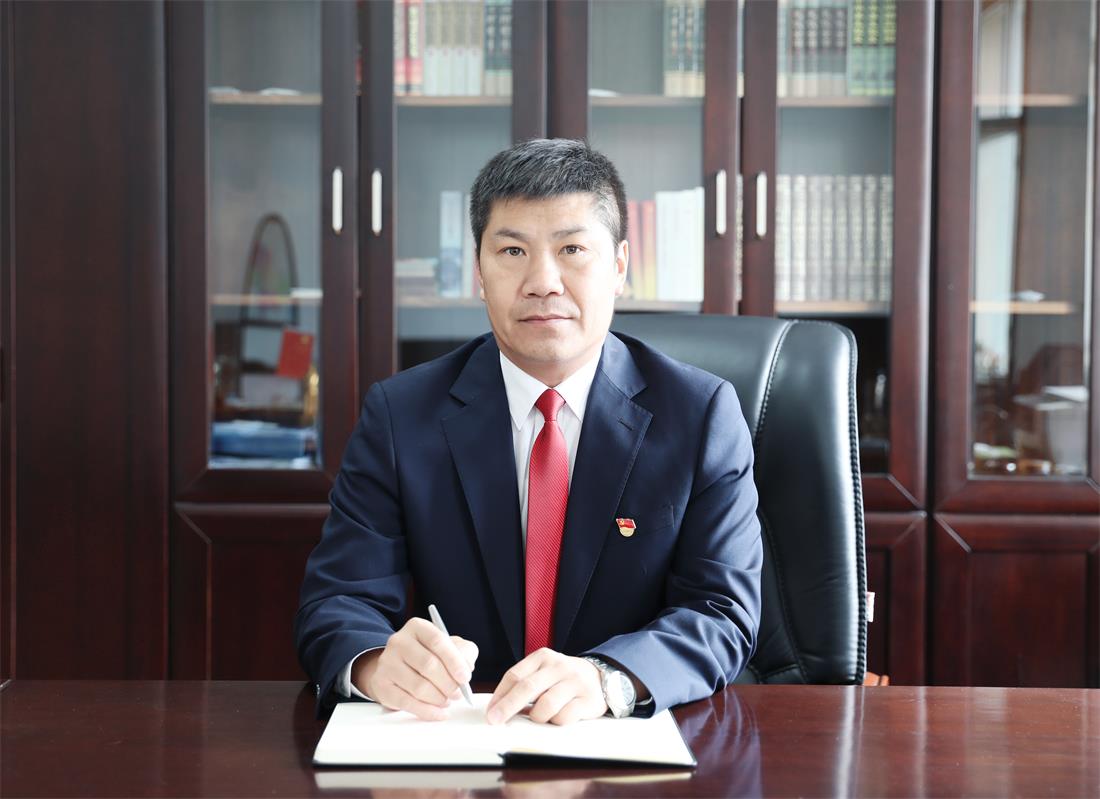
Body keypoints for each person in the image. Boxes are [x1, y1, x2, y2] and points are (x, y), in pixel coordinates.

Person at [295, 138, 762, 725]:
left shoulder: (700, 415)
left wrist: (608, 677)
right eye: (513, 251)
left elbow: (722, 612)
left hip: (622, 742)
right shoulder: (401, 415)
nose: (543, 282)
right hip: (459, 735)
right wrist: (373, 663)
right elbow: (339, 599)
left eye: (572, 249)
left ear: (619, 266)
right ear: (479, 273)